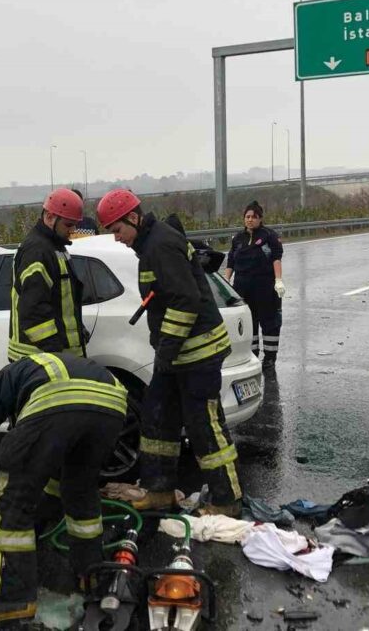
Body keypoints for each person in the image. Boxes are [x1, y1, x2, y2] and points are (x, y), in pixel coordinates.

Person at [0, 353, 128, 624]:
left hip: (58, 399)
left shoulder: (0, 381)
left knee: (9, 494)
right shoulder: (37, 369)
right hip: (113, 403)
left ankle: (13, 596)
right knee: (80, 489)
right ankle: (91, 572)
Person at [96, 188, 242, 517]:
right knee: (158, 418)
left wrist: (167, 348)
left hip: (197, 354)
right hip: (176, 357)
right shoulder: (150, 245)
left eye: (117, 230)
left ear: (133, 218)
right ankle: (159, 491)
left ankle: (226, 500)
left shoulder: (160, 244)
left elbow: (185, 300)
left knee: (204, 426)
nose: (117, 238)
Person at [8, 188, 86, 362]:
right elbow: (33, 311)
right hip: (40, 358)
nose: (72, 230)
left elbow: (62, 301)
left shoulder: (55, 246)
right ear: (50, 217)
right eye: (68, 224)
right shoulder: (37, 251)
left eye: (74, 224)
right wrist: (56, 352)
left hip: (50, 357)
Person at [225, 201, 285, 369]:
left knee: (270, 322)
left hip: (265, 288)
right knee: (248, 322)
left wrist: (278, 280)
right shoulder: (238, 239)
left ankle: (270, 357)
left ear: (260, 219)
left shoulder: (268, 236)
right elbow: (231, 262)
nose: (250, 220)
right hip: (243, 289)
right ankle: (252, 355)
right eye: (247, 217)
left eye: (254, 217)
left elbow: (276, 258)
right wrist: (226, 281)